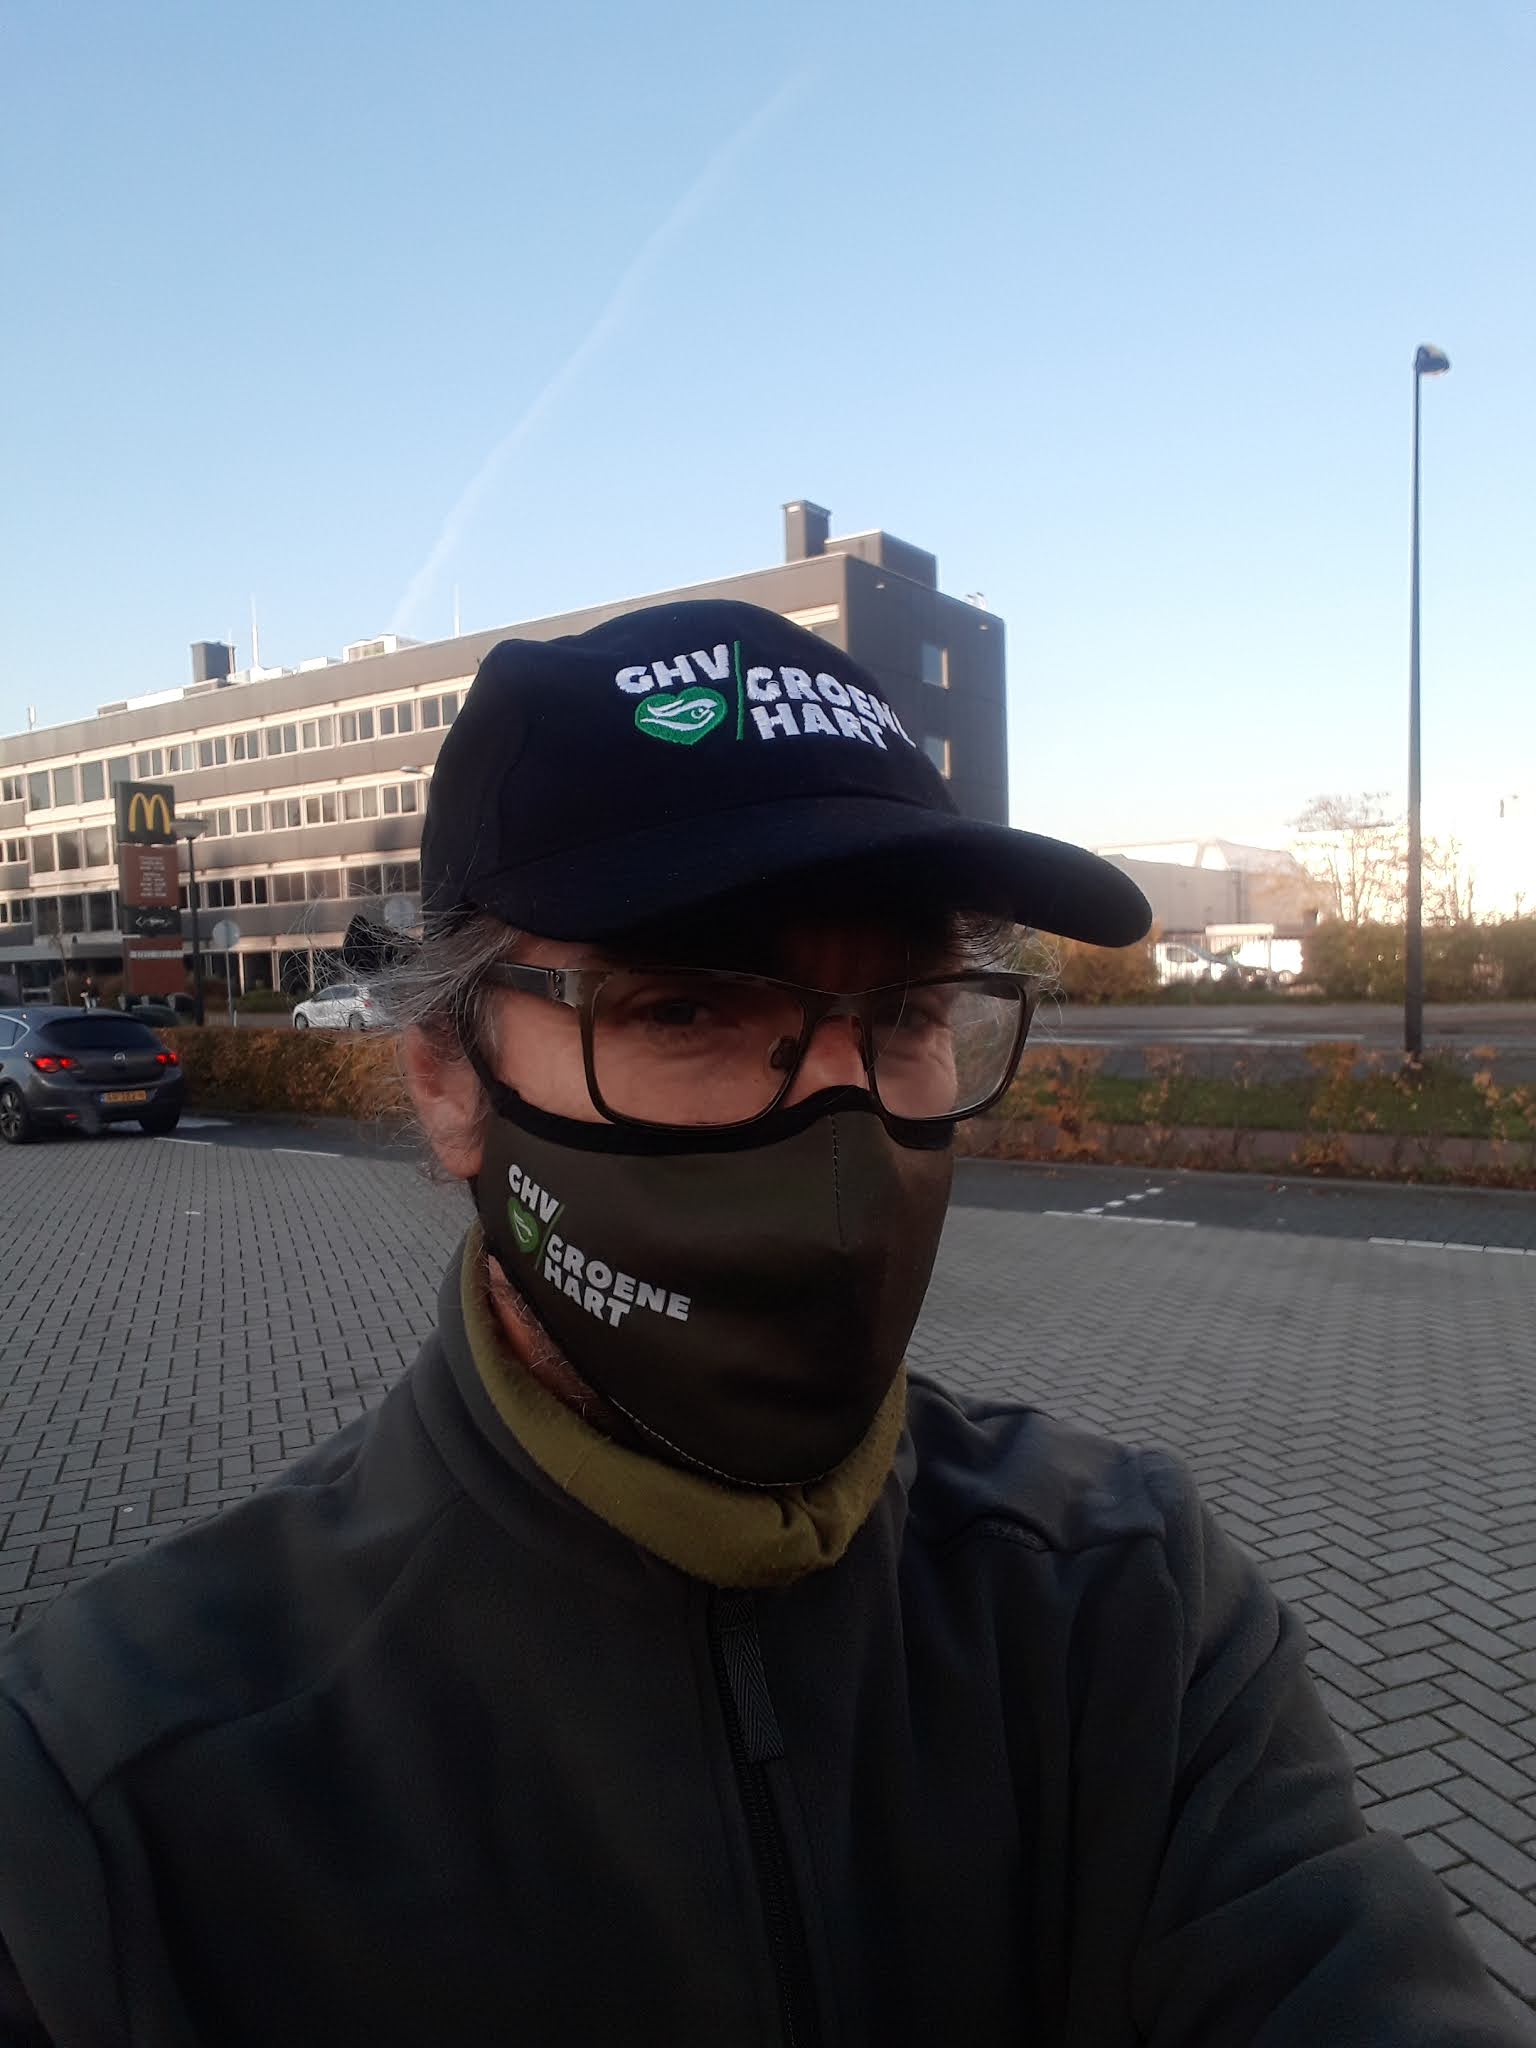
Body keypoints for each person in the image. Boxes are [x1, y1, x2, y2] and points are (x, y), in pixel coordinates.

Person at [0, 599, 1529, 2047]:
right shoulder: (119, 1798)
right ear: (450, 1083)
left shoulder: (1119, 1608)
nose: (844, 1132)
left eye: (908, 1017)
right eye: (685, 1011)